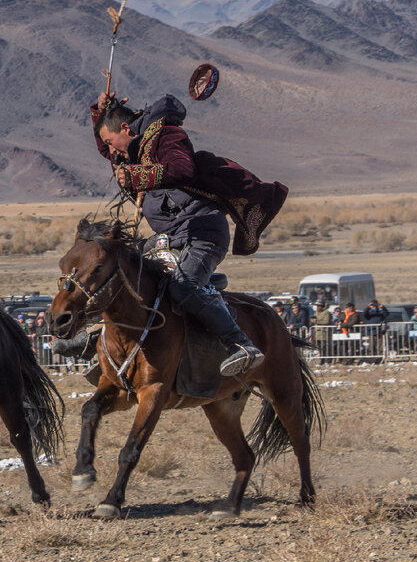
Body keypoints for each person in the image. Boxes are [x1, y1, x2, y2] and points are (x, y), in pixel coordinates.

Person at [91, 92, 287, 376]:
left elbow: (183, 168)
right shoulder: (129, 155)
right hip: (169, 238)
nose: (110, 152)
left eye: (111, 143)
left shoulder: (165, 135)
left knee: (183, 287)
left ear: (125, 129)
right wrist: (99, 112)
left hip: (201, 232)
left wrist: (137, 177)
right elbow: (107, 144)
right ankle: (94, 335)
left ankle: (240, 344)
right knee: (121, 272)